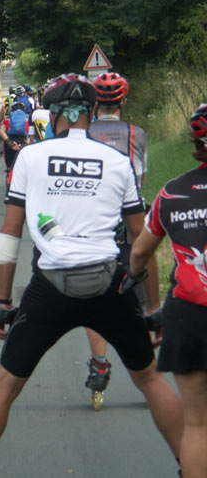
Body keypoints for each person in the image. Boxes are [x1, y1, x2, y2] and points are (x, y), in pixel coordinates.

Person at [0, 74, 183, 478]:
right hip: (109, 283)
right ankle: (192, 466)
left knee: (4, 387)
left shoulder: (30, 157)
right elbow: (139, 240)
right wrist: (152, 309)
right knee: (150, 381)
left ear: (55, 115)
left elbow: (10, 232)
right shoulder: (117, 162)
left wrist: (2, 302)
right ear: (92, 115)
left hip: (50, 288)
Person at [127, 103, 207, 477]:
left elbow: (141, 251)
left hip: (188, 316)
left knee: (197, 425)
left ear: (196, 142)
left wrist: (135, 277)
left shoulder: (172, 193)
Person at [80, 71, 160, 409]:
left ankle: (99, 363)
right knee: (141, 290)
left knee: (95, 301)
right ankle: (149, 362)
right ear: (123, 102)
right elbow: (139, 180)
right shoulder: (137, 135)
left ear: (97, 104)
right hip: (128, 226)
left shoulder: (82, 134)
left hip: (93, 226)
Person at [0, 102, 29, 184]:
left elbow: (1, 131)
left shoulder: (7, 120)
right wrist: (24, 145)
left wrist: (9, 142)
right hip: (23, 143)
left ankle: (8, 191)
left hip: (10, 143)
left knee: (10, 170)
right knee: (23, 170)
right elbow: (30, 135)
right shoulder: (27, 120)